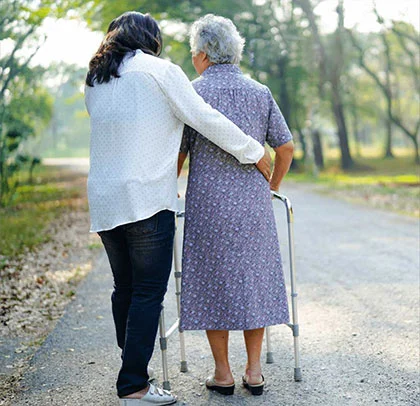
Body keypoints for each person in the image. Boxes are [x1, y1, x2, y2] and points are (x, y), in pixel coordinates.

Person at [84, 11, 271, 406]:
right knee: (149, 292)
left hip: (104, 197)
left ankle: (134, 370)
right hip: (147, 198)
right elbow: (203, 118)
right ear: (150, 39)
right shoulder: (160, 71)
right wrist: (253, 150)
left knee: (125, 288)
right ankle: (133, 385)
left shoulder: (96, 77)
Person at [178, 14, 294, 397]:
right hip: (253, 206)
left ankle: (223, 374)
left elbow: (178, 153)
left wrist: (169, 188)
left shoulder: (191, 93)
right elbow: (285, 147)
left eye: (195, 51)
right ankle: (255, 371)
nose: (194, 57)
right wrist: (272, 186)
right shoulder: (259, 91)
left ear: (205, 54)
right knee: (253, 282)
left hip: (208, 206)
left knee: (215, 283)